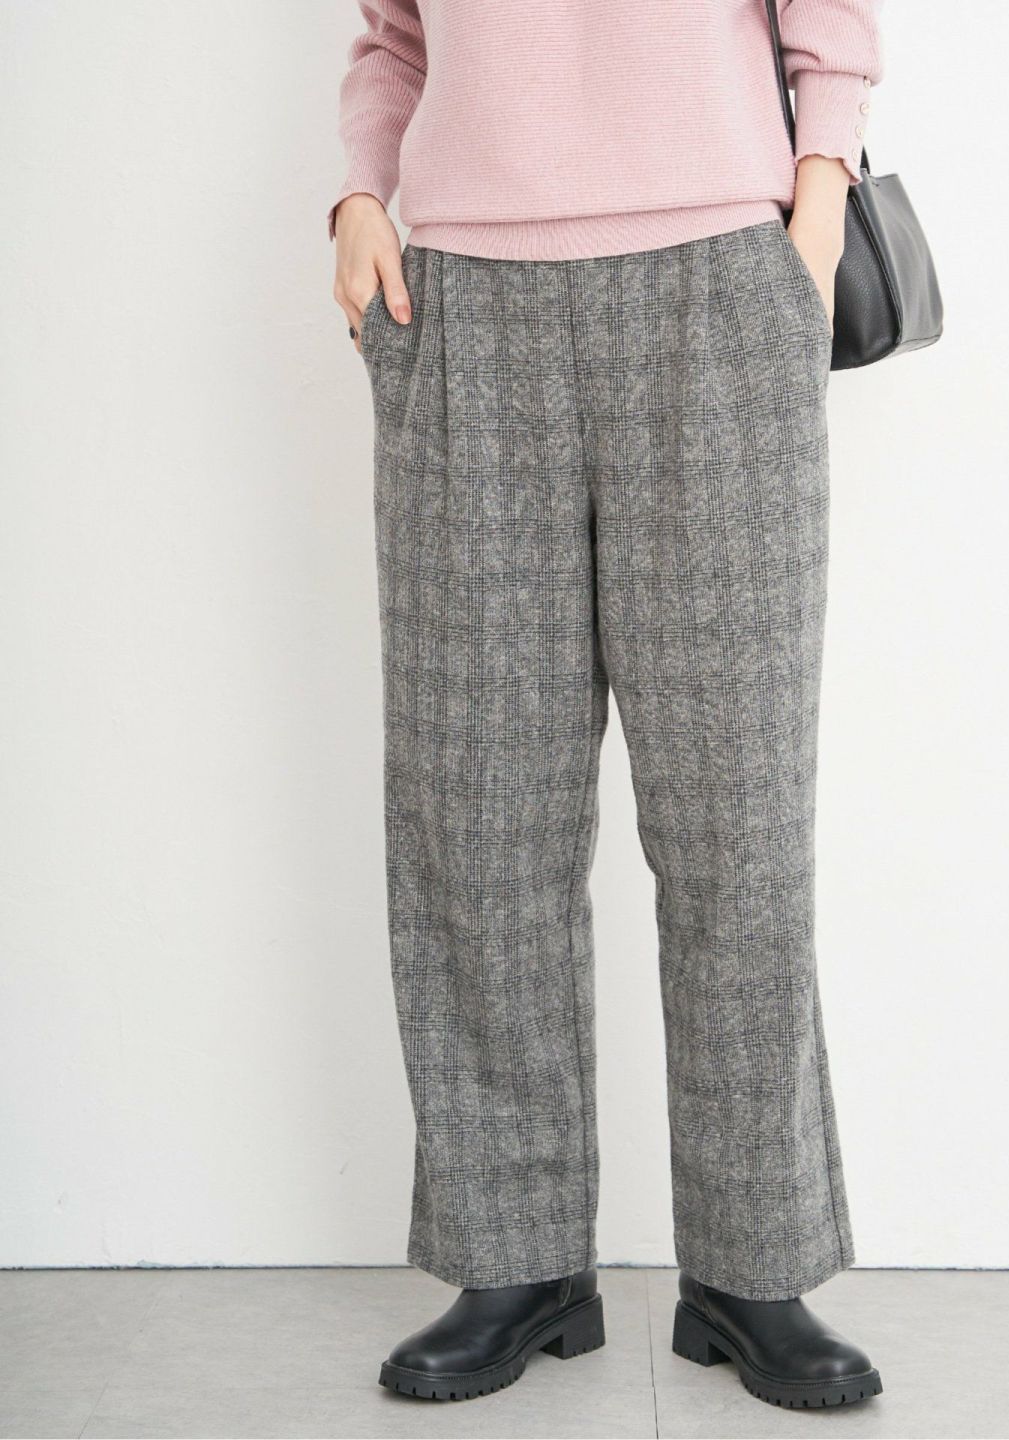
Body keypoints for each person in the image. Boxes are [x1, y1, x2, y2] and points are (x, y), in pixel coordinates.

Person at [331, 0, 884, 1411]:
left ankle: (755, 1268)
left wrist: (816, 208)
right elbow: (394, 37)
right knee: (478, 822)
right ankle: (512, 1258)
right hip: (462, 301)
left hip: (718, 283)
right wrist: (359, 196)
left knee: (738, 826)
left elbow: (831, 24)